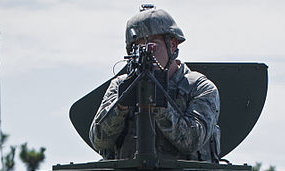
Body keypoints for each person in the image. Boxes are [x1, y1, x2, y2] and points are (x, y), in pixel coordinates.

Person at [89, 5, 221, 162]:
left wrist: (158, 104)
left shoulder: (199, 88)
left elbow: (192, 141)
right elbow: (98, 140)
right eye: (136, 46)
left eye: (152, 44)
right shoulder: (120, 86)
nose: (145, 51)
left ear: (172, 45)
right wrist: (120, 107)